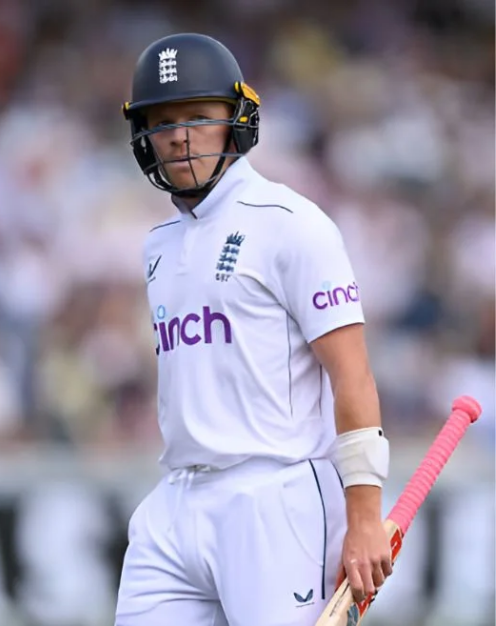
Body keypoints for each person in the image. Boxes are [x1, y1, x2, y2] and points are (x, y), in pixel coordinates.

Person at [113, 33, 393, 625]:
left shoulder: (293, 224)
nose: (179, 136)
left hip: (275, 499)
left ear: (237, 119)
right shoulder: (157, 246)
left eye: (198, 116)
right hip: (175, 501)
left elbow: (352, 376)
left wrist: (365, 516)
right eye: (162, 122)